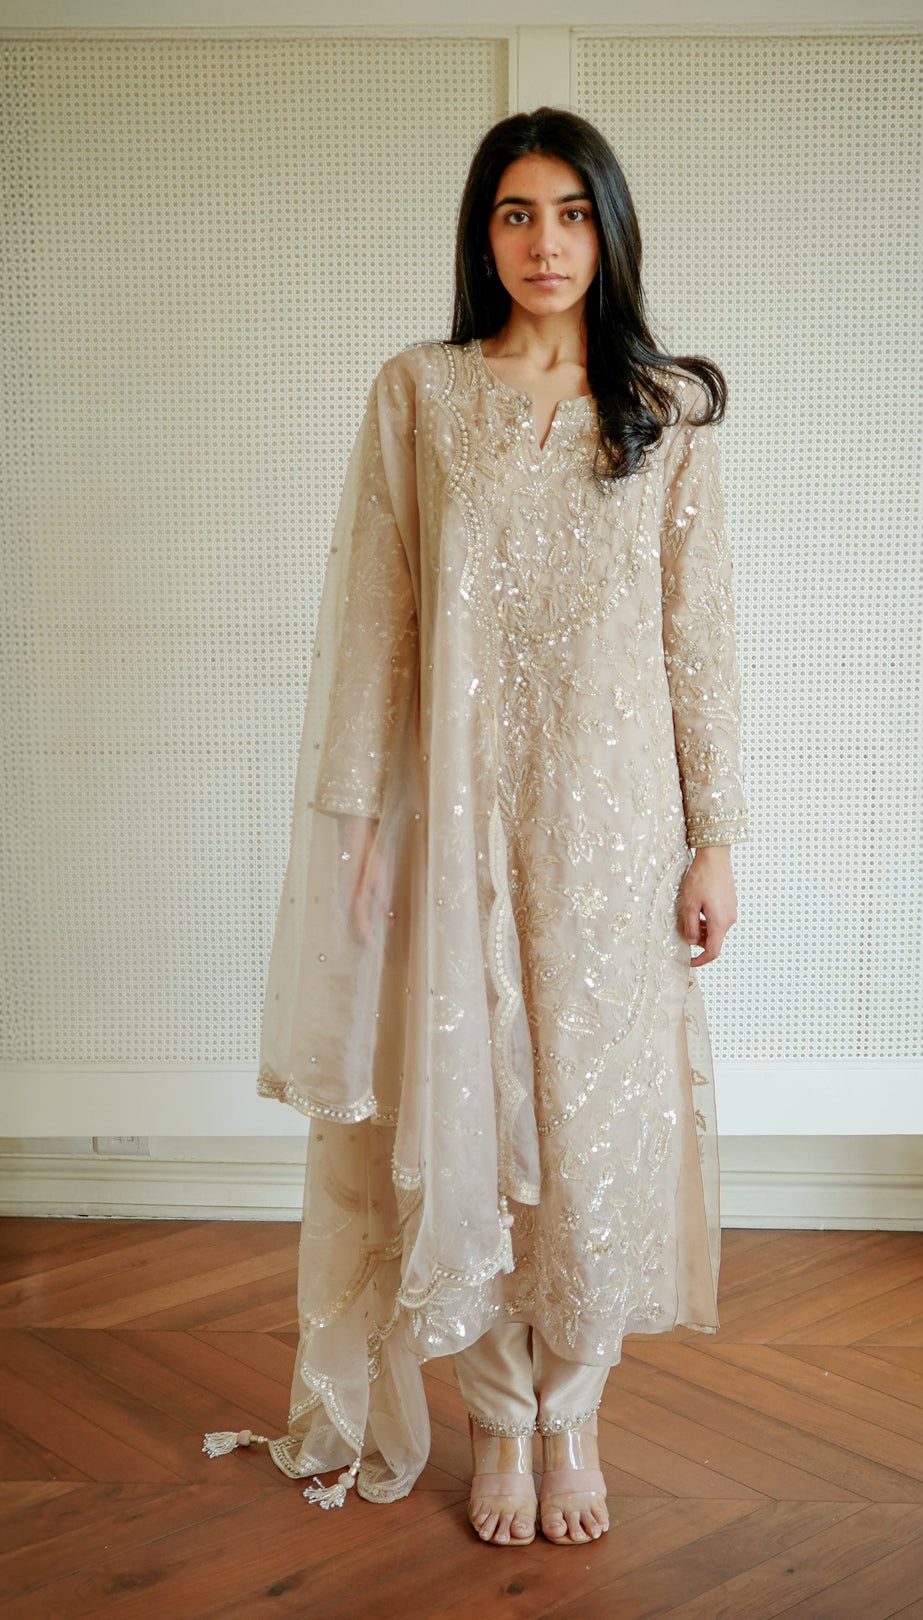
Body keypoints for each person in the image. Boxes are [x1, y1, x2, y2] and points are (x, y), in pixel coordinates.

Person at [204, 105, 749, 1549]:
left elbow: (701, 640)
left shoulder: (668, 415)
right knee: (468, 1115)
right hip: (454, 824)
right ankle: (495, 1419)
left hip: (616, 829)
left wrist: (717, 835)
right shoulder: (420, 395)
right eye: (516, 213)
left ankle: (574, 1412)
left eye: (572, 213)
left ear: (610, 229)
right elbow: (376, 620)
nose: (546, 243)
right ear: (481, 232)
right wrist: (359, 821)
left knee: (590, 1120)